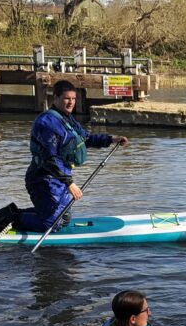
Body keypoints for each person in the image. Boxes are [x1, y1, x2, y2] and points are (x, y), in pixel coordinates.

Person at [17, 80, 129, 232]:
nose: (71, 102)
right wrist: (69, 183)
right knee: (52, 223)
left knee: (64, 218)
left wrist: (111, 139)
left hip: (59, 179)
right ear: (55, 98)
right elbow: (49, 159)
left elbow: (85, 139)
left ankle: (36, 215)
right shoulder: (47, 123)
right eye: (66, 98)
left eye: (74, 99)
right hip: (43, 179)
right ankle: (10, 219)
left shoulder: (67, 119)